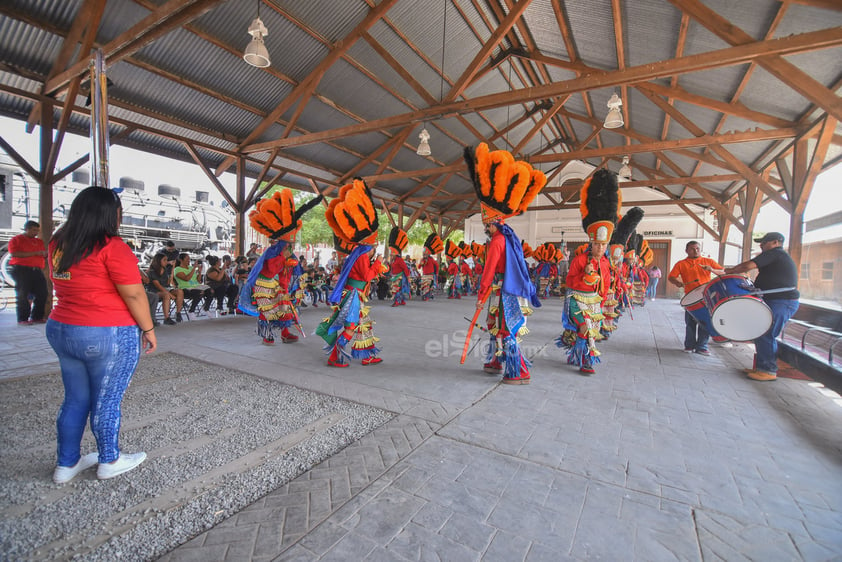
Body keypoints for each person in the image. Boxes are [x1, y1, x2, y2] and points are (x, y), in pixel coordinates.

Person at [46, 186, 156, 484]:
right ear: (111, 213)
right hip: (107, 332)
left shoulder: (59, 242)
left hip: (61, 328)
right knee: (107, 400)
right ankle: (110, 459)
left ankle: (66, 464)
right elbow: (134, 294)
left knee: (74, 400)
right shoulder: (112, 246)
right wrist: (148, 328)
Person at [464, 142, 547, 384]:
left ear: (491, 222)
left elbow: (489, 270)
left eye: (486, 224)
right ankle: (495, 361)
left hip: (502, 291)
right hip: (503, 290)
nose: (485, 228)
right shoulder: (506, 236)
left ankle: (519, 371)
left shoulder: (498, 241)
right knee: (497, 328)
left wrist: (481, 293)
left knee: (504, 330)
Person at [317, 178, 385, 367]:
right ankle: (334, 356)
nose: (374, 251)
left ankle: (367, 355)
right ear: (370, 246)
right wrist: (378, 264)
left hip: (355, 294)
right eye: (374, 248)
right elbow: (367, 276)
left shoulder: (356, 253)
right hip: (354, 295)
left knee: (364, 324)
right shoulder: (362, 256)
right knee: (351, 327)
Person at [239, 190, 321, 345]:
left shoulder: (290, 254)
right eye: (290, 244)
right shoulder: (273, 252)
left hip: (279, 287)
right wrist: (283, 258)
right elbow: (270, 271)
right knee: (267, 311)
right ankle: (267, 336)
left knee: (284, 309)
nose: (292, 246)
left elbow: (292, 273)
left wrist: (289, 286)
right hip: (265, 285)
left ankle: (285, 333)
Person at [557, 169, 619, 375]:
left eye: (603, 245)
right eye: (597, 244)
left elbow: (606, 285)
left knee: (589, 331)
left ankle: (577, 354)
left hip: (595, 303)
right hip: (577, 300)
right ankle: (587, 361)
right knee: (586, 330)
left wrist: (601, 303)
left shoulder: (606, 264)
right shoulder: (579, 259)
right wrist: (584, 276)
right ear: (591, 242)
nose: (600, 248)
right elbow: (570, 281)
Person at [724, 232, 800, 381]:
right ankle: (760, 366)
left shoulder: (776, 253)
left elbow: (748, 266)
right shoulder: (775, 256)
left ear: (776, 242)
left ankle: (768, 370)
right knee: (760, 331)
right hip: (774, 300)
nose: (761, 245)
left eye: (764, 242)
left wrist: (730, 271)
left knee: (766, 332)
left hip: (782, 301)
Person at [667, 241, 723, 356]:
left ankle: (702, 346)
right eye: (692, 249)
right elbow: (671, 277)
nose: (696, 250)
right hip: (690, 297)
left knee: (705, 321)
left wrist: (711, 269)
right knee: (690, 322)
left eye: (697, 248)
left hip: (706, 296)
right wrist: (678, 283)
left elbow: (722, 272)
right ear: (687, 251)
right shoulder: (681, 264)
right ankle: (689, 345)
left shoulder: (709, 261)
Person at [8, 220, 49, 325]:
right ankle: (23, 318)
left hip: (37, 269)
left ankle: (37, 317)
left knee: (43, 293)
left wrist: (44, 254)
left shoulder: (39, 241)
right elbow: (15, 253)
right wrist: (35, 253)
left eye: (37, 231)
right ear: (27, 229)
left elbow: (42, 253)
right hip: (22, 269)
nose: (35, 233)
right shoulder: (16, 240)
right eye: (34, 230)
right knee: (23, 294)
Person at [147, 252, 183, 324]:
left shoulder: (164, 269)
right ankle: (166, 318)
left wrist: (173, 268)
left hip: (165, 288)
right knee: (166, 295)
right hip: (154, 290)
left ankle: (178, 312)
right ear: (158, 261)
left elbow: (168, 283)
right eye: (164, 260)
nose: (166, 262)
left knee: (179, 291)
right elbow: (158, 286)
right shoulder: (152, 271)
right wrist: (170, 294)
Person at [387, 227, 411, 307]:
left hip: (399, 277)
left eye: (392, 253)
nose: (391, 254)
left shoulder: (400, 260)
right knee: (397, 289)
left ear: (395, 253)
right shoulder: (393, 260)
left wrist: (408, 277)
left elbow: (405, 268)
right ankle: (402, 301)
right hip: (394, 276)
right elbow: (392, 268)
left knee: (396, 289)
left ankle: (397, 301)